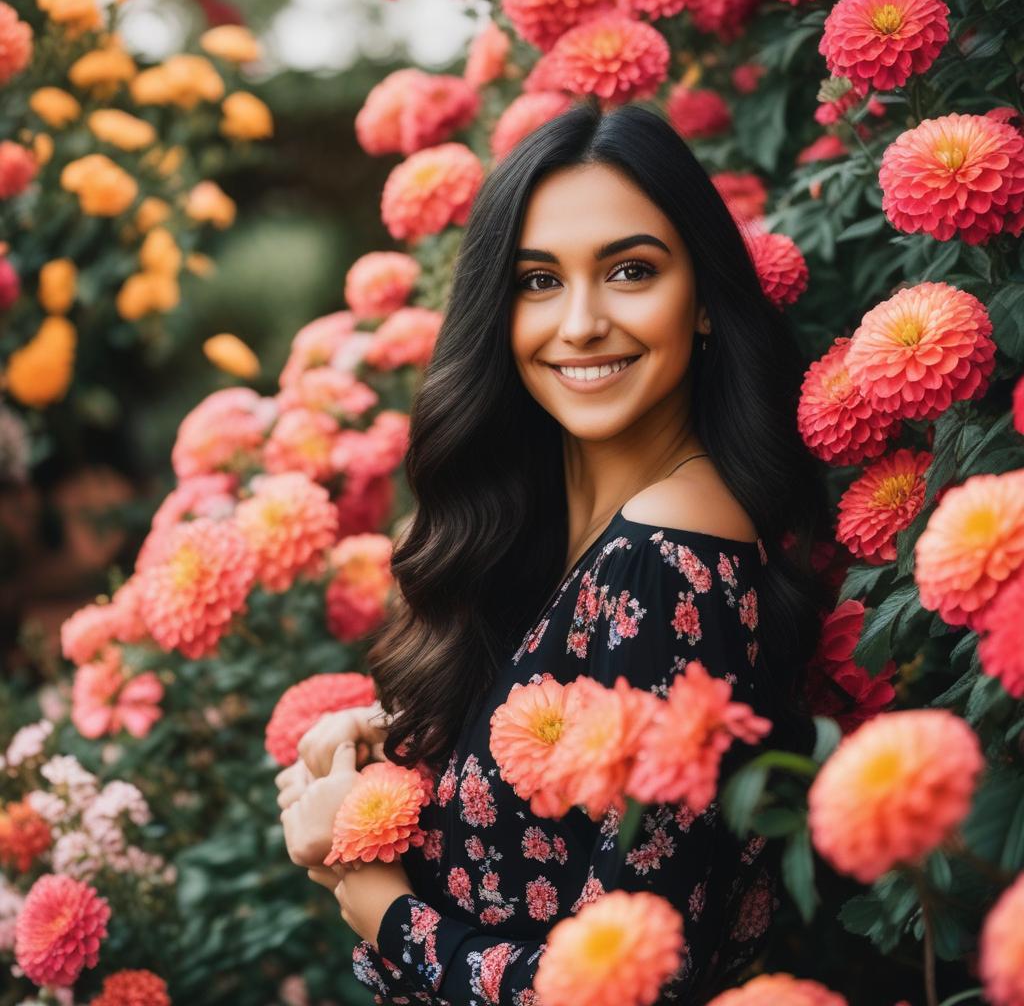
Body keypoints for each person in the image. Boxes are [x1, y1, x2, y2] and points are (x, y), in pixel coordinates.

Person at [277, 101, 830, 1005]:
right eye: (538, 281)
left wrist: (377, 903)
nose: (580, 323)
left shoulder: (668, 565)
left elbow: (622, 986)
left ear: (702, 303)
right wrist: (386, 761)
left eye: (630, 271)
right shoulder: (565, 526)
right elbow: (535, 843)